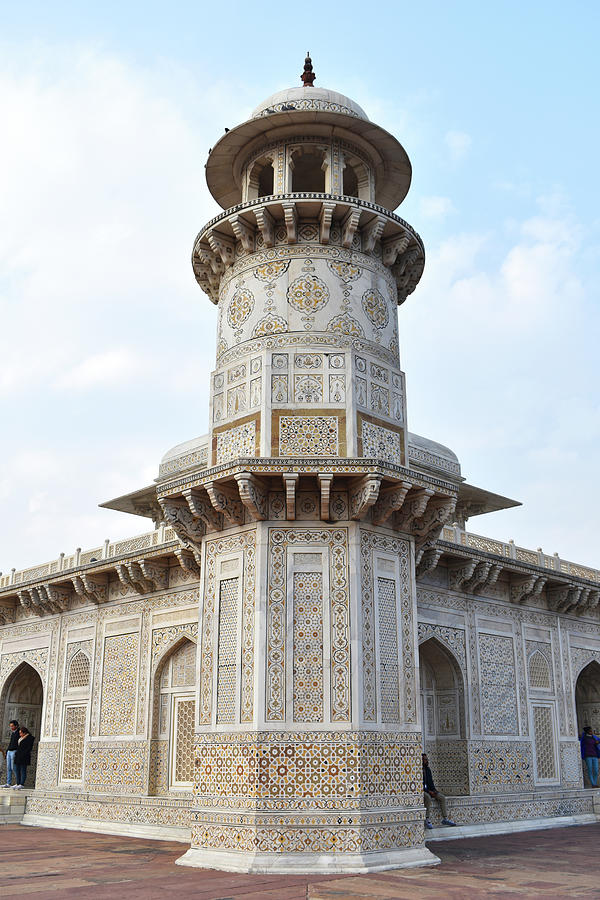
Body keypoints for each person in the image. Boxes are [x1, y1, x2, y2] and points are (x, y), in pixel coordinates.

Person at [422, 752, 456, 829]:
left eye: (426, 759)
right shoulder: (418, 770)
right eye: (424, 759)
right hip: (423, 791)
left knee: (442, 797)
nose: (426, 761)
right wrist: (428, 791)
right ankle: (427, 819)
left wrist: (434, 791)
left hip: (430, 790)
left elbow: (431, 782)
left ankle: (445, 818)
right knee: (427, 797)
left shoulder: (428, 770)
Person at [1, 721, 20, 789]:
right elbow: (11, 743)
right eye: (10, 726)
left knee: (13, 767)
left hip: (14, 751)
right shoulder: (13, 733)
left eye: (12, 726)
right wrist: (7, 751)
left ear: (16, 726)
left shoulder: (18, 733)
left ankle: (18, 782)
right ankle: (8, 783)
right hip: (10, 751)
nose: (11, 727)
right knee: (8, 768)